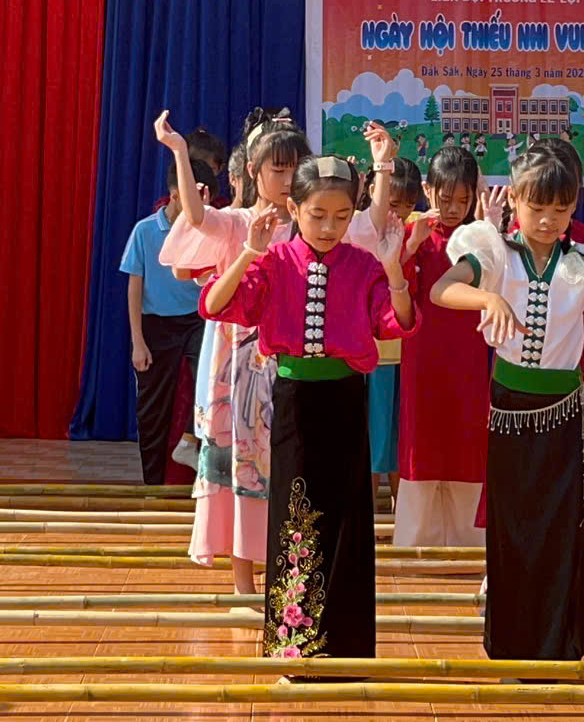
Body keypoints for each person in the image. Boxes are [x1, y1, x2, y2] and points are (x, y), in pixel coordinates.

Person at [435, 150, 584, 662]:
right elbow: (442, 289)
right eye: (537, 207)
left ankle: (558, 644)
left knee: (561, 526)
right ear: (515, 202)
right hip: (508, 410)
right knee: (512, 524)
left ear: (573, 208)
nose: (548, 220)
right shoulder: (495, 255)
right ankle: (511, 641)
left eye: (560, 210)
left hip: (564, 412)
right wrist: (488, 298)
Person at [200, 154, 419, 659]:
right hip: (294, 401)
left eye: (341, 217)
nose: (328, 227)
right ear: (294, 209)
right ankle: (293, 647)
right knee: (294, 514)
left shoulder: (364, 265)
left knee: (347, 518)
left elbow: (398, 322)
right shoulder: (275, 261)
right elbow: (215, 305)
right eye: (317, 215)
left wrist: (394, 269)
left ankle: (348, 646)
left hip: (346, 399)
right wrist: (249, 253)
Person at [158, 109, 305, 596]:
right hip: (239, 365)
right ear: (253, 172)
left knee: (287, 465)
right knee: (243, 461)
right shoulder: (238, 223)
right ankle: (244, 583)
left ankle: (288, 575)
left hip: (292, 359)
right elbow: (197, 217)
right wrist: (181, 153)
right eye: (277, 169)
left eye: (294, 168)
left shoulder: (308, 226)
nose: (287, 178)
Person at [392, 145, 489, 547]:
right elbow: (394, 293)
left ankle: (472, 542)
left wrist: (489, 227)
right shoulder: (413, 234)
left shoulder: (481, 238)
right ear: (428, 190)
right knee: (422, 444)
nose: (452, 209)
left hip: (470, 358)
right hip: (424, 359)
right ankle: (416, 543)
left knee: (469, 441)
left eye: (462, 200)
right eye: (445, 198)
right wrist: (410, 247)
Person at [123, 133, 222, 485]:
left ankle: (191, 442)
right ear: (176, 194)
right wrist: (138, 341)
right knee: (153, 406)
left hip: (197, 320)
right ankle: (151, 483)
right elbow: (134, 287)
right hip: (156, 325)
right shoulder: (145, 231)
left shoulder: (208, 227)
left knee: (210, 380)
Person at [355, 129, 423, 504]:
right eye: (393, 202)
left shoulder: (414, 229)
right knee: (370, 439)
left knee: (399, 438)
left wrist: (410, 246)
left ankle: (402, 514)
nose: (400, 211)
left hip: (403, 353)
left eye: (408, 204)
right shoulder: (359, 229)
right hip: (368, 353)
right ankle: (365, 514)